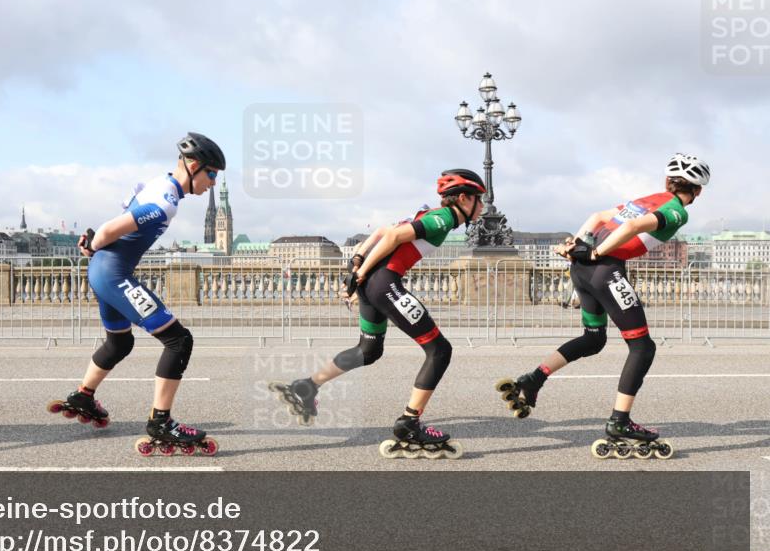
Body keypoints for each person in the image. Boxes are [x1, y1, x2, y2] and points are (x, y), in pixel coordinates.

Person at [495, 153, 710, 459]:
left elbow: (597, 217)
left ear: (666, 181)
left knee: (593, 338)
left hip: (582, 270)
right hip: (605, 270)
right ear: (698, 192)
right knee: (642, 347)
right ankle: (620, 422)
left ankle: (533, 379)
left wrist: (577, 246)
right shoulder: (677, 211)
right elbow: (634, 227)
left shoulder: (648, 197)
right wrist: (596, 253)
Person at [269, 169, 488, 459]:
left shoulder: (428, 213)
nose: (482, 207)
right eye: (479, 200)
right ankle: (409, 423)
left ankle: (306, 386)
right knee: (440, 350)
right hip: (384, 283)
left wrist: (358, 260)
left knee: (369, 349)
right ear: (463, 198)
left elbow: (383, 231)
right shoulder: (444, 217)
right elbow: (396, 235)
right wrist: (358, 272)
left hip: (373, 284)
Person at [48, 132, 225, 456]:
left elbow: (110, 226)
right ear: (195, 166)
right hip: (113, 275)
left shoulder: (161, 184)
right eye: (211, 174)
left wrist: (92, 244)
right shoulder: (165, 203)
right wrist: (94, 242)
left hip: (105, 272)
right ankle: (161, 422)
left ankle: (84, 396)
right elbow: (108, 231)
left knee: (120, 342)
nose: (212, 182)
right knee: (179, 340)